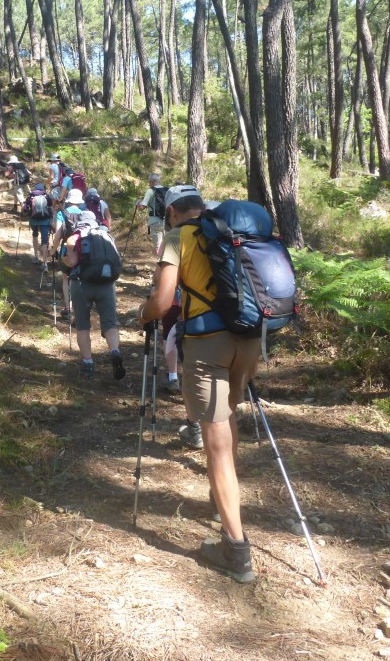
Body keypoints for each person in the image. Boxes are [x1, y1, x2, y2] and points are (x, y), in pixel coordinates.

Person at [134, 184, 258, 584]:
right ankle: (222, 500)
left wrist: (143, 314)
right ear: (201, 207)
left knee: (215, 439)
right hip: (251, 338)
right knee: (229, 416)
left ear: (170, 212)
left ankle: (235, 550)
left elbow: (164, 299)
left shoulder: (177, 236)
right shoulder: (233, 230)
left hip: (207, 343)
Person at [61, 209, 126, 381]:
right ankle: (115, 351)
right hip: (106, 284)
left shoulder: (74, 237)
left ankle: (88, 363)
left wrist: (64, 260)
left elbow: (73, 262)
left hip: (82, 284)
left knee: (83, 325)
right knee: (110, 323)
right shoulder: (106, 235)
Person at [50, 188, 86, 321]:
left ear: (69, 200)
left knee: (66, 278)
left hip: (66, 249)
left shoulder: (62, 214)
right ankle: (78, 308)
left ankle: (68, 307)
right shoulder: (84, 214)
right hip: (81, 250)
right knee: (78, 279)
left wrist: (53, 250)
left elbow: (58, 234)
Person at [23, 183, 53, 269]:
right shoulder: (46, 196)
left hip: (34, 220)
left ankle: (35, 256)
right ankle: (45, 263)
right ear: (43, 189)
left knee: (35, 235)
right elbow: (50, 206)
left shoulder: (31, 197)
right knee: (44, 241)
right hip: (45, 220)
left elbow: (25, 208)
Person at [135, 173, 168, 254]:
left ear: (152, 181)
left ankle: (161, 264)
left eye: (149, 181)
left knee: (158, 246)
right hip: (167, 221)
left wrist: (137, 203)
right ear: (159, 181)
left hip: (155, 221)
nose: (149, 183)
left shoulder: (150, 191)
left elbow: (142, 207)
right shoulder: (167, 190)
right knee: (166, 245)